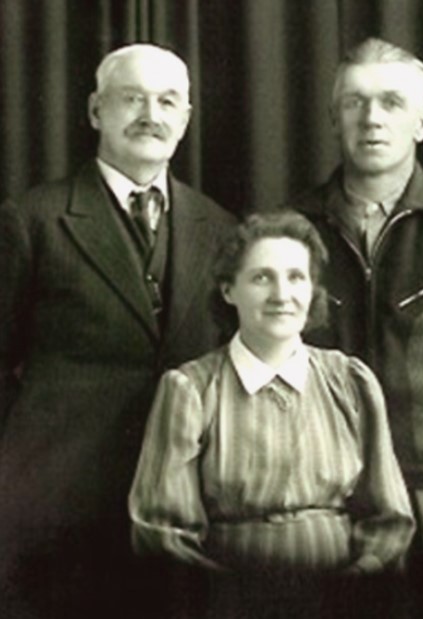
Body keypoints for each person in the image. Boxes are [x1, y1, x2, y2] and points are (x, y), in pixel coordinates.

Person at [0, 44, 235, 619]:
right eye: (131, 98)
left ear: (185, 119)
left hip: (182, 505)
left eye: (167, 101)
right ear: (94, 111)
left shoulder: (222, 225)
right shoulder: (31, 220)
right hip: (59, 508)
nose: (149, 114)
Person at [284, 37, 423, 618]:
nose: (372, 118)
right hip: (330, 498)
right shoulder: (288, 231)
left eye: (391, 102)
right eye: (354, 102)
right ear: (334, 118)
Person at [129, 211, 415, 619]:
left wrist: (354, 586)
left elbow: (390, 519)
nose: (282, 294)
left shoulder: (351, 382)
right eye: (262, 278)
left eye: (296, 277)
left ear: (313, 290)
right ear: (229, 290)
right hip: (225, 605)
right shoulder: (190, 390)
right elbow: (163, 534)